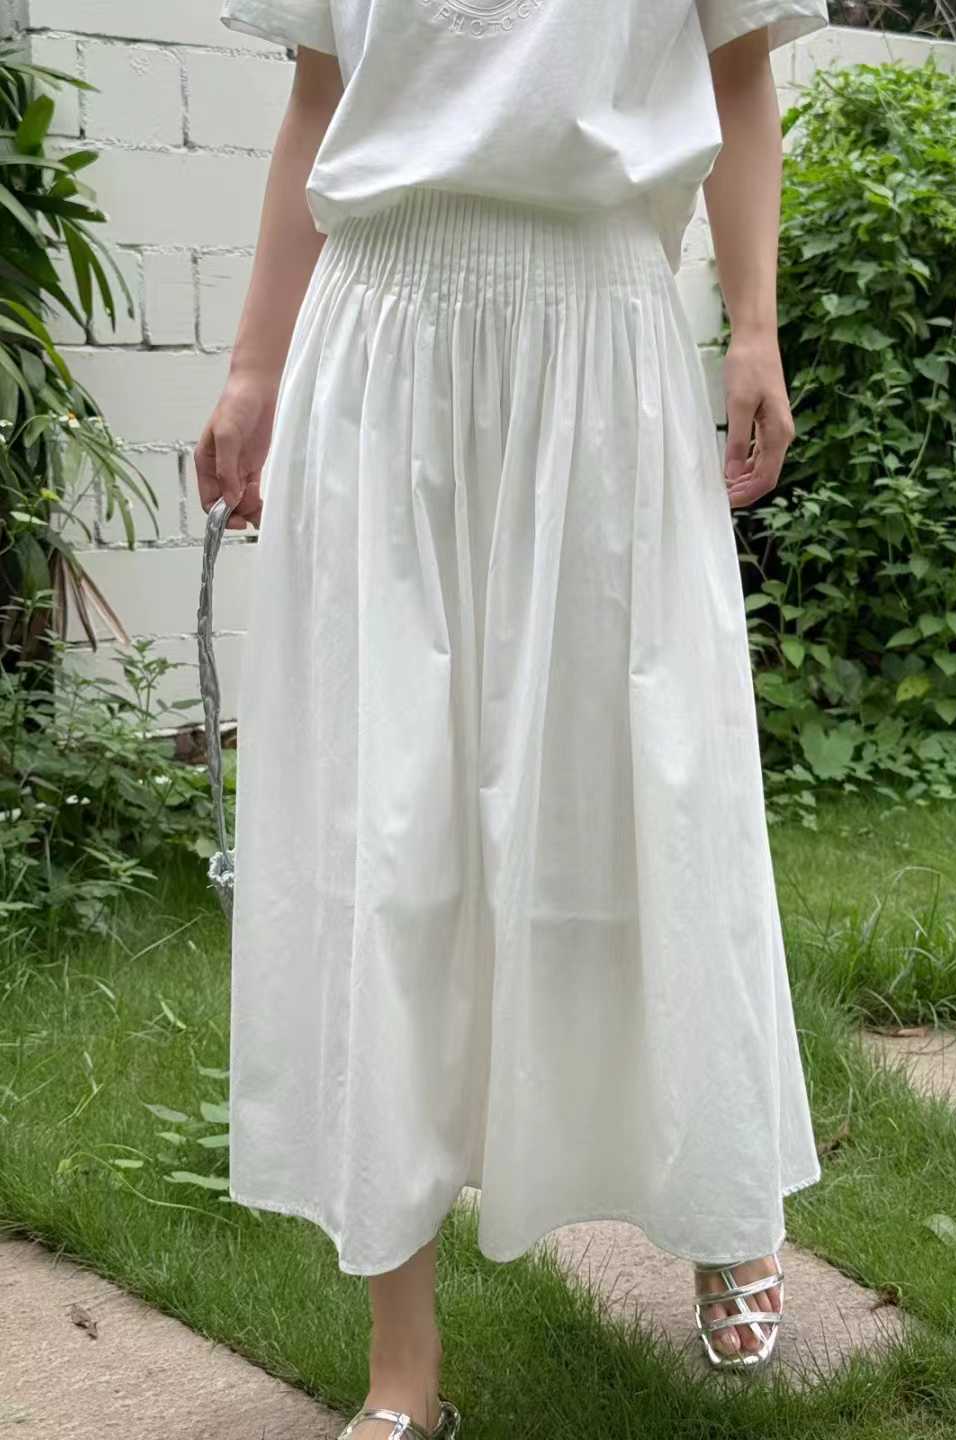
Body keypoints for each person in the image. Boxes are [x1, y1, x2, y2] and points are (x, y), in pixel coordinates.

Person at [197, 1, 830, 1436]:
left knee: (646, 794)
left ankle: (725, 1194)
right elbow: (319, 98)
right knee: (384, 831)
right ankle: (403, 1369)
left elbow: (737, 74)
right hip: (379, 340)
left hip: (597, 332)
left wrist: (754, 324)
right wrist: (253, 365)